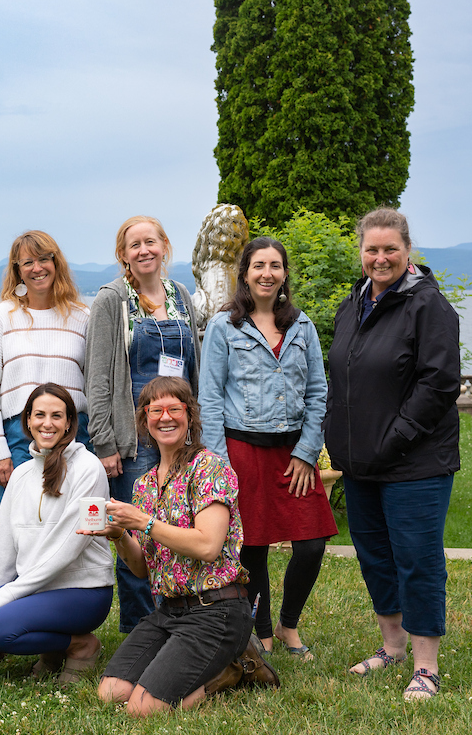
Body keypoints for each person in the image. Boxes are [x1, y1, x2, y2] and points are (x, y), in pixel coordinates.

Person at [324, 207, 461, 701]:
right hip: (360, 465)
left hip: (415, 465)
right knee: (376, 557)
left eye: (390, 250)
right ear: (360, 252)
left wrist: (394, 439)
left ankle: (426, 666)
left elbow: (440, 383)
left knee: (417, 559)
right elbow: (340, 377)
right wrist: (334, 435)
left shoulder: (429, 307)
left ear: (408, 251)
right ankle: (392, 647)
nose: (380, 258)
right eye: (371, 250)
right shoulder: (353, 304)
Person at [90, 377, 278, 717]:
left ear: (189, 415)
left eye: (174, 409)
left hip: (216, 610)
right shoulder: (145, 485)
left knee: (142, 710)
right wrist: (119, 535)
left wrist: (143, 523)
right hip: (170, 610)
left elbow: (208, 546)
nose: (165, 417)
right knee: (110, 692)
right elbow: (142, 569)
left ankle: (233, 669)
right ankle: (205, 665)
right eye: (155, 409)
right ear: (144, 419)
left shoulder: (209, 467)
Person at [198, 237, 335, 660]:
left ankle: (288, 625)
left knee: (311, 543)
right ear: (244, 274)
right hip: (243, 451)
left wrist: (307, 451)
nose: (267, 273)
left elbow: (318, 391)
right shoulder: (225, 327)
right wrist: (221, 465)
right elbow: (210, 399)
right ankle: (263, 635)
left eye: (275, 265)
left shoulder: (303, 327)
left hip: (294, 454)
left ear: (285, 274)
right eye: (259, 265)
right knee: (251, 546)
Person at [86, 215, 201, 632]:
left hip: (178, 432)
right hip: (132, 440)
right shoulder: (110, 301)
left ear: (164, 245)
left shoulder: (181, 296)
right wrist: (105, 442)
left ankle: (181, 622)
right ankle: (140, 631)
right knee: (137, 536)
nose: (143, 250)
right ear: (123, 255)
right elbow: (97, 377)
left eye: (150, 242)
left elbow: (194, 369)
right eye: (134, 245)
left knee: (176, 529)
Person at [0, 383, 113, 680]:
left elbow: (68, 547)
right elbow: (3, 546)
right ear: (27, 420)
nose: (47, 423)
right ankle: (48, 645)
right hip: (36, 590)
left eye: (57, 415)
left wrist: (8, 597)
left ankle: (80, 646)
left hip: (82, 591)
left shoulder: (89, 468)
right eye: (39, 414)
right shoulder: (22, 475)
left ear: (69, 422)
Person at [0, 230, 91, 504]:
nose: (37, 268)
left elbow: (95, 382)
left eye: (43, 259)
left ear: (56, 262)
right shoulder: (1, 316)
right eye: (27, 262)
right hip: (19, 435)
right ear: (18, 271)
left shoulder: (82, 317)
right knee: (18, 522)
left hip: (74, 433)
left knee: (74, 518)